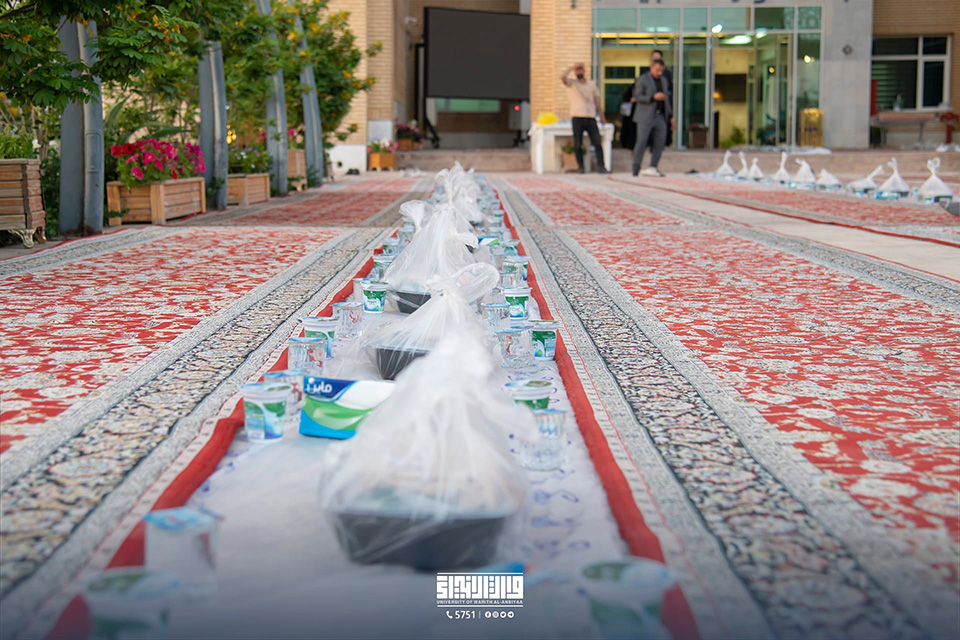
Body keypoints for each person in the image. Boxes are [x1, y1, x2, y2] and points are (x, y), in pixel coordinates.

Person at [560, 62, 608, 174]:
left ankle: (601, 167)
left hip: (590, 117)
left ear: (584, 70)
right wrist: (572, 67)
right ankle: (580, 167)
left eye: (580, 69)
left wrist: (602, 116)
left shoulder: (591, 84)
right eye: (577, 70)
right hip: (577, 117)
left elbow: (597, 100)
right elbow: (562, 77)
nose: (579, 71)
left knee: (597, 142)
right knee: (578, 144)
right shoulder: (571, 83)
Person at [631, 59, 675, 177]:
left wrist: (671, 117)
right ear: (652, 68)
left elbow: (666, 100)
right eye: (657, 69)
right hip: (645, 117)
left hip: (660, 116)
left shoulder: (664, 80)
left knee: (660, 142)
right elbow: (637, 97)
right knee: (642, 142)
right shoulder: (643, 79)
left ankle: (653, 167)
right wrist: (652, 97)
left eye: (661, 70)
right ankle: (636, 168)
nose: (660, 72)